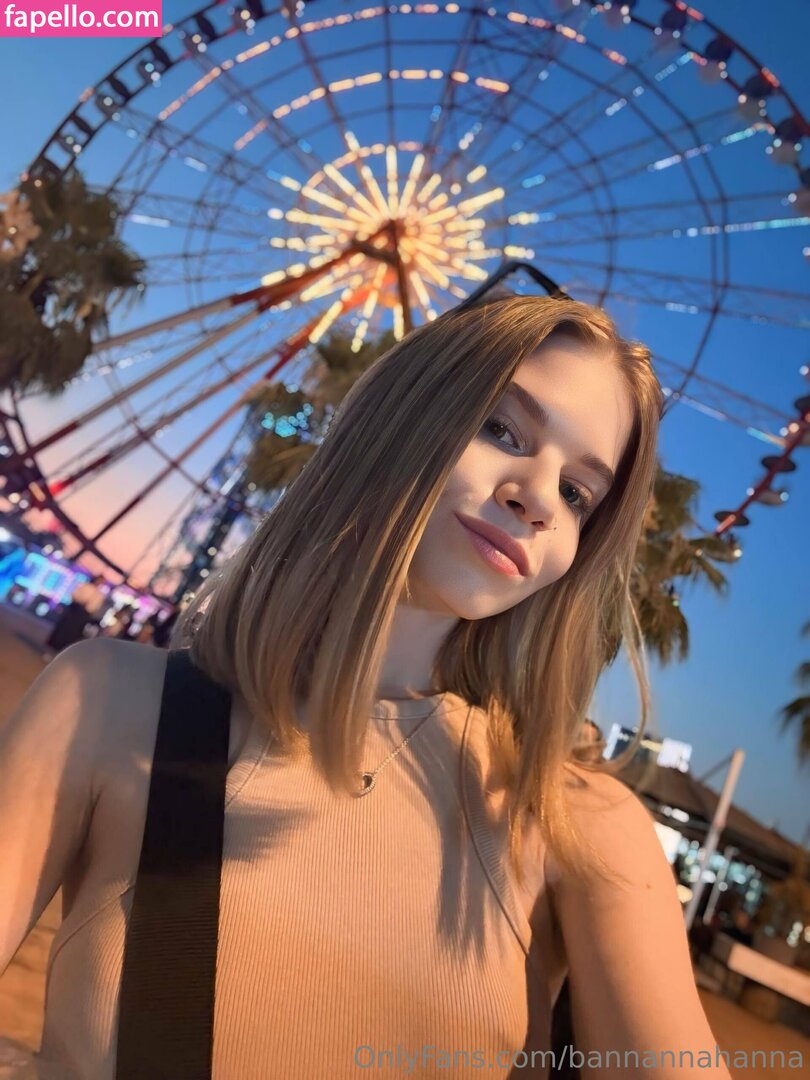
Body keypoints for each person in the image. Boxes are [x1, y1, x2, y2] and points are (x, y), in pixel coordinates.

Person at [0, 295, 731, 1078]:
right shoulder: (107, 705)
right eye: (501, 430)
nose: (540, 499)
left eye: (579, 493)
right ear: (399, 414)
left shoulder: (570, 821)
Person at [43, 572, 106, 657]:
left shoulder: (99, 595)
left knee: (72, 634)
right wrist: (80, 601)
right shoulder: (85, 586)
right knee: (63, 630)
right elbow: (75, 595)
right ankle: (52, 649)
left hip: (83, 615)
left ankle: (62, 652)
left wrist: (88, 607)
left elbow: (95, 607)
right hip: (75, 610)